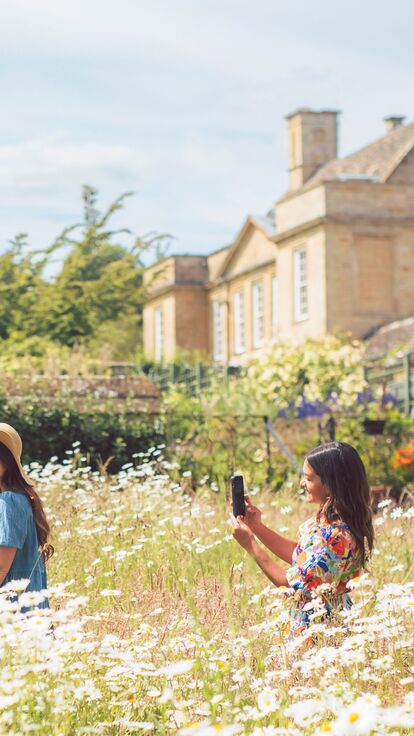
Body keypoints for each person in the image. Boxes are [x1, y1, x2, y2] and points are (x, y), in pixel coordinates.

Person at [231, 441, 374, 636]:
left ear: (331, 484)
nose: (302, 483)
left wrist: (251, 545)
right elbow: (303, 559)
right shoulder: (331, 524)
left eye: (308, 478)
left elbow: (289, 583)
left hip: (318, 628)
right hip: (320, 620)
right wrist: (256, 527)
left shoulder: (335, 536)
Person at [0, 423, 53, 609]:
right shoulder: (20, 497)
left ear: (6, 461)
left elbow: (1, 566)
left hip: (14, 609)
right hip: (28, 608)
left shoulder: (9, 501)